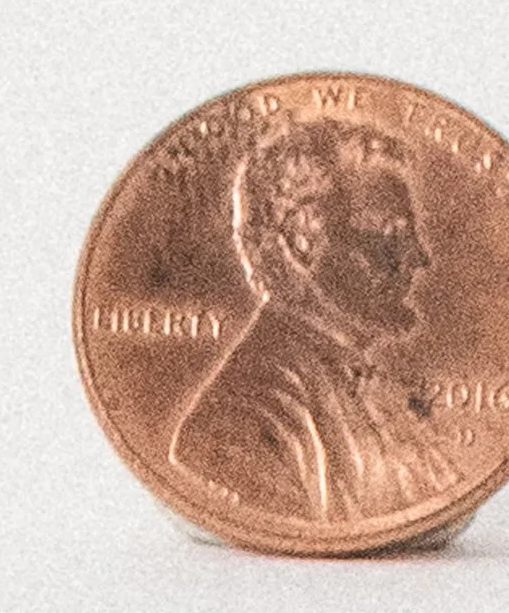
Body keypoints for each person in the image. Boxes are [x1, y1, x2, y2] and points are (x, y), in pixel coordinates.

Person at [170, 118, 467, 526]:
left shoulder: (376, 390)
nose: (418, 257)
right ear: (302, 239)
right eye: (391, 235)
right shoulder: (239, 424)